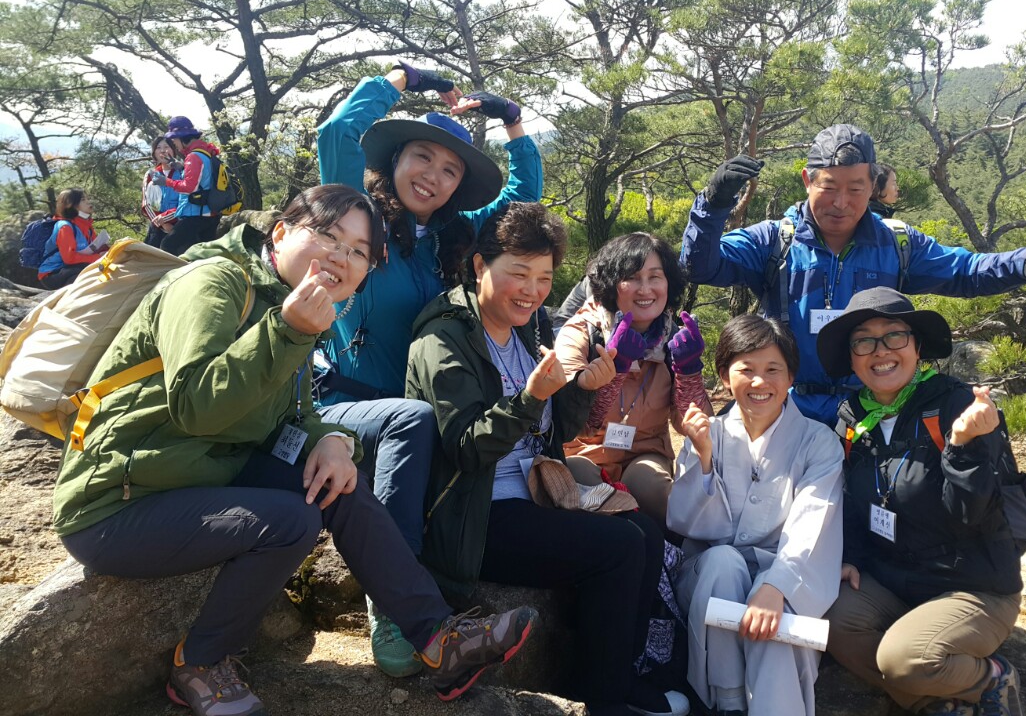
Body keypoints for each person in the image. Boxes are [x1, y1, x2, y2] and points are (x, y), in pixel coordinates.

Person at [51, 184, 537, 716]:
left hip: (202, 475)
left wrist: (330, 440)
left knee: (338, 486)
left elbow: (294, 412)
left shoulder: (290, 302)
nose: (340, 257)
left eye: (358, 252)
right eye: (328, 236)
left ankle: (436, 638)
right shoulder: (212, 284)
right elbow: (198, 408)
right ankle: (201, 662)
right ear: (280, 233)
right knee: (289, 520)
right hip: (118, 503)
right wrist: (288, 331)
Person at [406, 202, 684, 716]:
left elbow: (560, 430)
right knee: (619, 549)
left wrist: (581, 390)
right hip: (477, 517)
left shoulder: (525, 332)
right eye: (518, 273)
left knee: (642, 532)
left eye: (544, 277)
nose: (532, 290)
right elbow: (467, 449)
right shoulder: (444, 339)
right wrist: (533, 397)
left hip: (531, 494)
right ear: (480, 266)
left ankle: (618, 676)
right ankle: (602, 699)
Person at [313, 62, 542, 674]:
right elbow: (337, 133)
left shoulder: (452, 236)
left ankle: (447, 592)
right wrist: (398, 79)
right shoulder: (357, 219)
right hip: (348, 404)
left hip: (416, 421)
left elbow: (522, 203)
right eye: (422, 157)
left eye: (451, 170)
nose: (434, 177)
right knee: (413, 423)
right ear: (393, 160)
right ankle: (394, 613)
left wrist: (513, 124)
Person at [679, 124, 1026, 427]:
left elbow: (964, 272)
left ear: (873, 186)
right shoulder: (773, 240)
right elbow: (702, 265)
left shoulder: (897, 244)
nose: (841, 202)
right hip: (786, 412)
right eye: (829, 186)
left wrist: (1024, 261)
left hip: (871, 413)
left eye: (856, 188)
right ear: (807, 180)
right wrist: (712, 204)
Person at [817, 287, 1023, 716]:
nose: (881, 351)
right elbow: (851, 503)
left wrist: (964, 444)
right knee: (829, 621)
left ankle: (991, 677)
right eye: (864, 341)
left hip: (972, 585)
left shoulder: (956, 405)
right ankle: (935, 700)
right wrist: (850, 556)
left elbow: (973, 517)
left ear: (916, 345)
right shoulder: (853, 417)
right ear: (852, 357)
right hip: (894, 580)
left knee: (905, 659)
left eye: (894, 335)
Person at [667, 314, 844, 716]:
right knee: (723, 563)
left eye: (773, 370)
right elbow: (683, 522)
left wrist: (778, 585)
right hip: (710, 579)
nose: (760, 382)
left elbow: (813, 521)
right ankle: (727, 702)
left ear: (792, 376)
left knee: (773, 620)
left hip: (786, 572)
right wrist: (704, 458)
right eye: (746, 369)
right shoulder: (705, 432)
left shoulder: (818, 442)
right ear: (725, 376)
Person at [554, 232, 711, 524]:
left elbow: (692, 426)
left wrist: (688, 372)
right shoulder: (582, 334)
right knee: (588, 487)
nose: (645, 289)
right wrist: (618, 367)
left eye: (655, 277)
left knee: (651, 487)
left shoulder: (673, 340)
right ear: (612, 285)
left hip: (645, 452)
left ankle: (671, 559)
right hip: (586, 453)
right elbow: (576, 426)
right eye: (632, 278)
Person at [150, 116, 226, 256]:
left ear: (182, 137)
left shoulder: (193, 156)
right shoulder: (205, 152)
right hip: (209, 213)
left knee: (168, 245)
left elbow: (189, 187)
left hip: (196, 215)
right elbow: (203, 178)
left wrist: (166, 181)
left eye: (175, 140)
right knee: (200, 255)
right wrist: (181, 168)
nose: (174, 143)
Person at [36, 188, 109, 289]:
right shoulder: (65, 227)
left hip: (70, 269)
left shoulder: (86, 226)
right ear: (70, 205)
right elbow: (69, 259)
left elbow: (96, 248)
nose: (88, 202)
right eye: (83, 200)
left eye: (87, 199)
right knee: (91, 270)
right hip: (52, 274)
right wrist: (98, 258)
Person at [143, 135, 183, 247]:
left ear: (173, 150)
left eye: (166, 147)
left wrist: (167, 218)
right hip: (157, 226)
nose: (163, 151)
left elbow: (186, 201)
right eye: (158, 147)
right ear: (154, 153)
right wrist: (162, 223)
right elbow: (146, 204)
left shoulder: (182, 172)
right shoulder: (151, 174)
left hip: (180, 223)